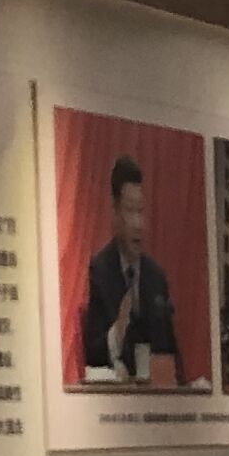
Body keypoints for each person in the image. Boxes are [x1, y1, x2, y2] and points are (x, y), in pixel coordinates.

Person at [79, 153, 185, 384]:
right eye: (130, 211)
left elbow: (171, 353)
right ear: (116, 212)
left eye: (141, 211)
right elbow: (92, 354)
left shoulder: (156, 277)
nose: (139, 224)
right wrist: (117, 332)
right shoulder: (100, 271)